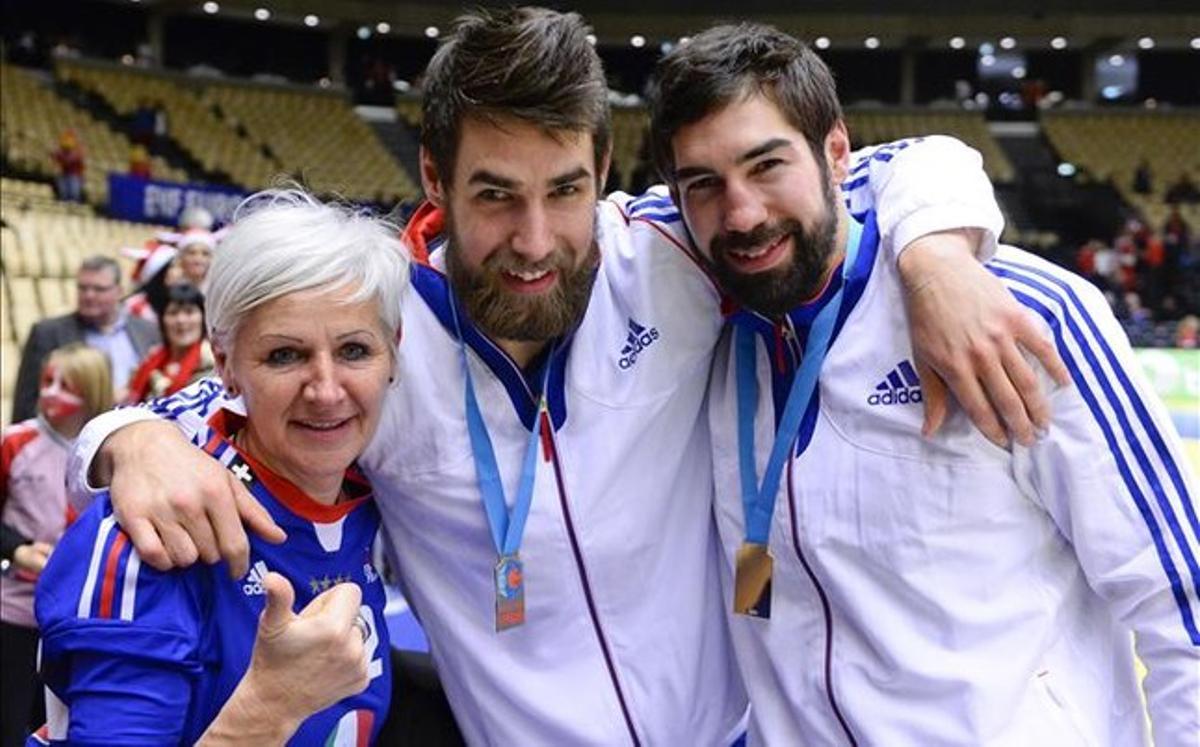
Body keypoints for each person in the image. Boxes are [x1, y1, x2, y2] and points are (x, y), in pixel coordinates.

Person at [71, 8, 1067, 744]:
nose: (537, 241)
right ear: (433, 178)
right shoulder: (376, 334)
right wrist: (126, 438)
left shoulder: (669, 259)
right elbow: (258, 392)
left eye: (566, 192)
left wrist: (934, 252)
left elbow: (877, 171)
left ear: (604, 170)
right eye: (495, 196)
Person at [648, 23, 1200, 745]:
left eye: (768, 165)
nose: (742, 212)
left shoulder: (1022, 317)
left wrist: (933, 257)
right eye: (704, 184)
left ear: (837, 153)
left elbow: (1181, 602)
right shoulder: (717, 328)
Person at [31, 188, 406, 745]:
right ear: (226, 365)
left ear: (394, 352)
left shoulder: (377, 497)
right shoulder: (153, 532)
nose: (327, 392)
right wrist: (269, 707)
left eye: (354, 350)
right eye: (285, 355)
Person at [1, 345, 112, 747]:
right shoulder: (15, 442)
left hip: (78, 613)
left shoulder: (110, 451)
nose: (51, 392)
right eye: (47, 381)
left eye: (66, 385)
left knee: (54, 723)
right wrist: (16, 550)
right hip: (14, 610)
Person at [12, 256, 159, 423]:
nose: (89, 295)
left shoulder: (147, 331)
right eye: (83, 288)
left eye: (99, 289)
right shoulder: (48, 333)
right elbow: (25, 406)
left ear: (119, 291)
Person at [124, 283, 214, 403]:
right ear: (161, 320)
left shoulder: (212, 361)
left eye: (189, 312)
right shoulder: (151, 359)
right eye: (173, 313)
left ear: (203, 318)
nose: (181, 320)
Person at [50, 130, 84, 203]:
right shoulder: (61, 151)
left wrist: (58, 155)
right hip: (63, 175)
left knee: (73, 195)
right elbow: (55, 157)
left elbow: (70, 160)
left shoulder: (77, 152)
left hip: (74, 175)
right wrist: (53, 154)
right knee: (63, 195)